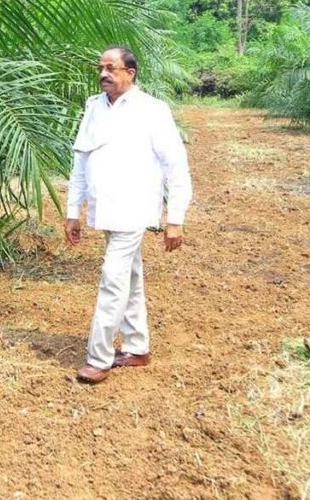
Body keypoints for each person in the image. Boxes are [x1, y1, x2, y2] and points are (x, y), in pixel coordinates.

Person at [64, 46, 192, 384]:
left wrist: (175, 217)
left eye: (111, 68)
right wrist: (72, 211)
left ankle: (99, 358)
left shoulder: (152, 110)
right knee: (129, 279)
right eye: (100, 68)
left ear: (130, 73)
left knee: (112, 278)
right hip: (104, 209)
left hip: (134, 209)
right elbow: (80, 161)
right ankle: (138, 348)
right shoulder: (94, 107)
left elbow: (176, 165)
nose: (103, 74)